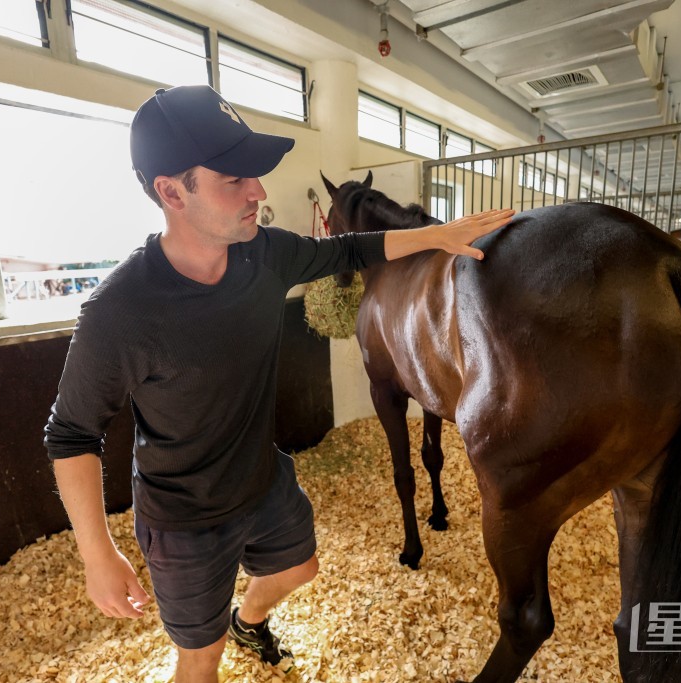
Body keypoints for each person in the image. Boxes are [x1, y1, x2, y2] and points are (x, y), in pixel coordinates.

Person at [44, 84, 514, 683]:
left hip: (261, 478)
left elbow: (349, 247)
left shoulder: (263, 256)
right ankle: (219, 636)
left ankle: (248, 618)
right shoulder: (121, 312)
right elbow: (70, 436)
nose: (258, 193)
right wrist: (97, 553)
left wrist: (434, 236)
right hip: (184, 517)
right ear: (170, 192)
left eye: (254, 177)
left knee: (301, 569)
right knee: (199, 661)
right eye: (234, 180)